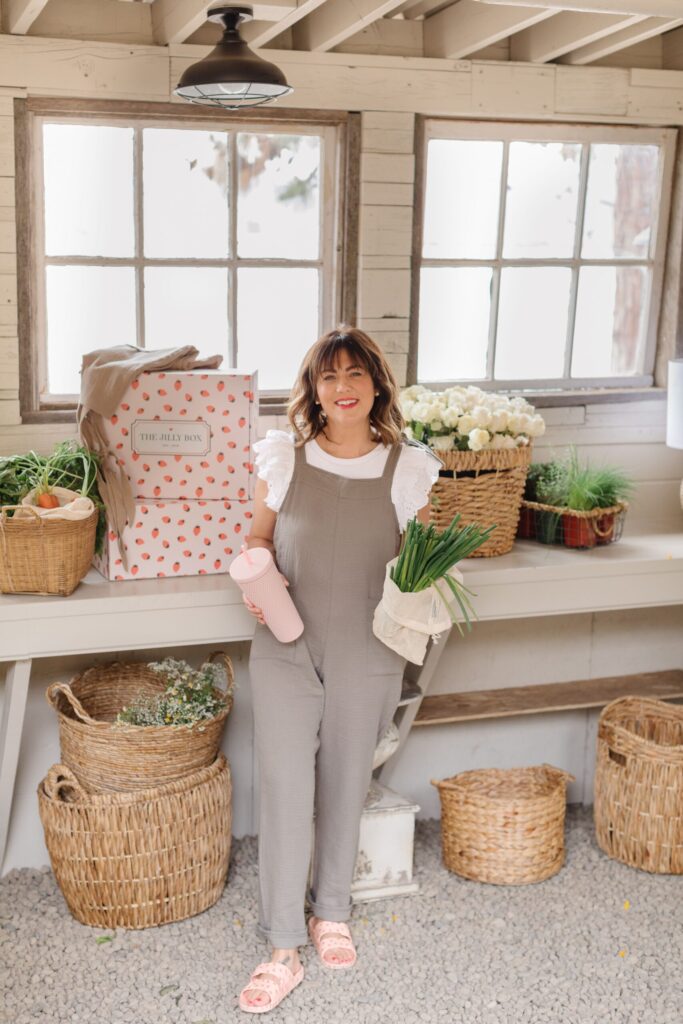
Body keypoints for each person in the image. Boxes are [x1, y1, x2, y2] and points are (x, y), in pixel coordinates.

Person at [238, 326, 442, 1013]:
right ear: (313, 390)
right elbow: (258, 540)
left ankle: (332, 912)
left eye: (356, 374)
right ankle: (282, 945)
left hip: (369, 648)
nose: (343, 387)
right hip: (286, 648)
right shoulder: (284, 461)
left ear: (376, 386)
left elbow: (418, 564)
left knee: (346, 781)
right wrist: (257, 585)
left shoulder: (406, 469)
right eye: (329, 377)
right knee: (285, 786)